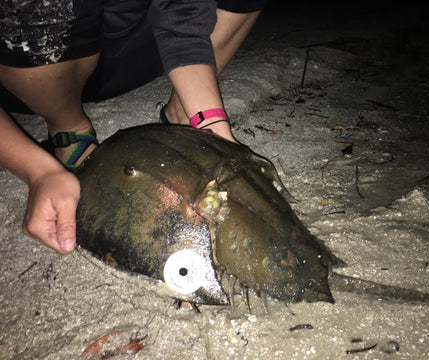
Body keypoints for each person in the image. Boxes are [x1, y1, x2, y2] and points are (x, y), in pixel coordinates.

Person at [0, 0, 265, 255]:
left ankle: (183, 112)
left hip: (142, 51)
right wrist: (38, 170)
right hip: (38, 71)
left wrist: (211, 122)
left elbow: (183, 13)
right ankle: (67, 129)